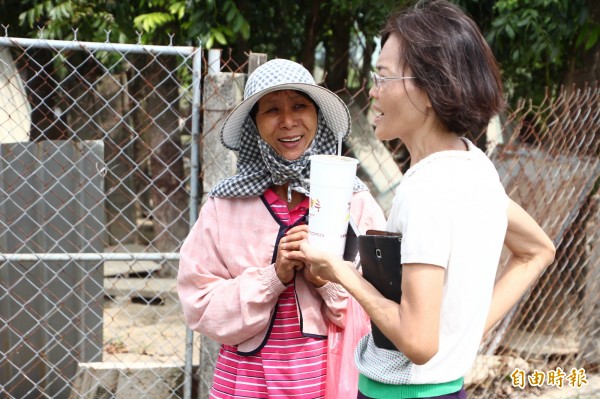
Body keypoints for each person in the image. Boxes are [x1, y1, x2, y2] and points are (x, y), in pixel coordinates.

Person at [299, 1, 557, 398]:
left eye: (383, 77)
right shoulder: (475, 167)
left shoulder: (425, 191)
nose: (372, 90)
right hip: (448, 386)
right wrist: (460, 333)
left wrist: (339, 272)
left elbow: (418, 344)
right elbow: (537, 250)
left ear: (431, 89)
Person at [177, 58, 386, 398]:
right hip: (243, 386)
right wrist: (273, 277)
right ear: (253, 125)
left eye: (300, 106)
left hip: (328, 384)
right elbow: (199, 305)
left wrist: (328, 279)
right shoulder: (224, 206)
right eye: (271, 110)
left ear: (317, 116)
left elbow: (383, 309)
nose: (288, 121)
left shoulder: (354, 202)